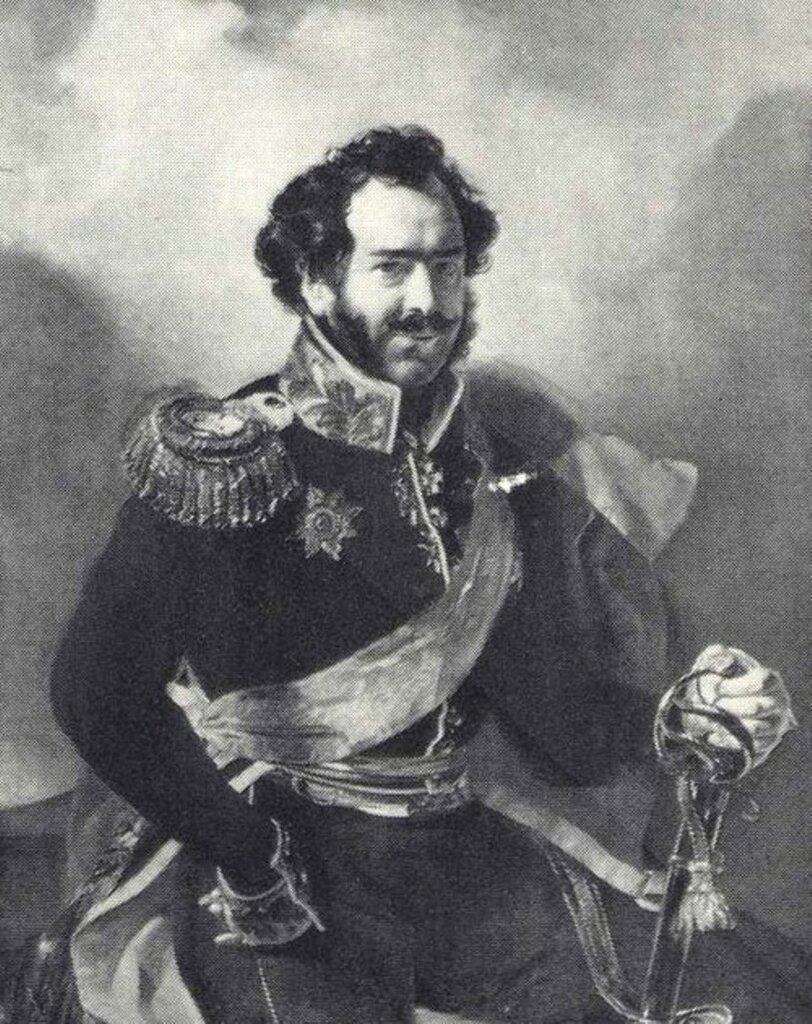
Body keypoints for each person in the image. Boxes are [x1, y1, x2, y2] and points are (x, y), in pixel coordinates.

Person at [3, 126, 807, 1024]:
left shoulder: (494, 453)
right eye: (391, 268)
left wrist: (685, 721)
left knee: (751, 989)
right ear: (317, 281)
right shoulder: (229, 462)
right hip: (275, 862)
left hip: (458, 852)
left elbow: (558, 712)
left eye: (446, 266)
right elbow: (96, 692)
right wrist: (247, 852)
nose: (428, 302)